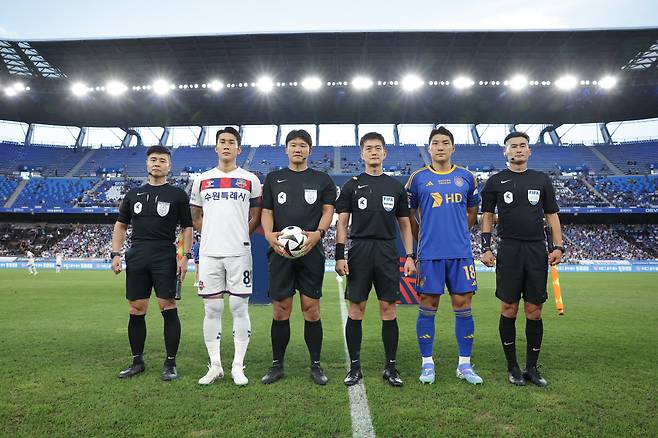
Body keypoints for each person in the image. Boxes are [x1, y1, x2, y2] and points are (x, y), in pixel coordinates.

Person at [480, 131, 564, 387]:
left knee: (534, 311)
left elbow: (551, 215)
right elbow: (486, 216)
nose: (518, 149)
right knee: (509, 308)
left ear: (530, 151)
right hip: (509, 249)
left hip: (536, 250)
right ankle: (513, 366)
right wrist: (485, 247)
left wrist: (558, 246)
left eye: (522, 146)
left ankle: (532, 368)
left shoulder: (541, 180)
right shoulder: (495, 181)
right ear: (505, 152)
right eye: (513, 146)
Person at [335, 132, 416, 387]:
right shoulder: (351, 185)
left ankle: (391, 368)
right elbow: (343, 223)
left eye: (377, 148)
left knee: (388, 310)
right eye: (368, 148)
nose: (373, 152)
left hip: (386, 251)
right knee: (356, 310)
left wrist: (410, 256)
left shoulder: (395, 187)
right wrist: (339, 254)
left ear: (384, 153)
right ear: (362, 154)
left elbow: (404, 225)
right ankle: (355, 368)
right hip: (359, 250)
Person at [406, 126, 483, 385]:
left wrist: (457, 232)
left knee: (463, 306)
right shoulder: (417, 179)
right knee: (428, 306)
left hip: (460, 254)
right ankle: (427, 364)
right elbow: (410, 216)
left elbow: (472, 215)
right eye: (435, 143)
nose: (440, 146)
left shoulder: (467, 177)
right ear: (429, 148)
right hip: (429, 254)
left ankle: (464, 365)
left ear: (453, 147)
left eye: (445, 142)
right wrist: (425, 238)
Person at [260, 129, 336, 385]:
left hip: (310, 251)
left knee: (311, 310)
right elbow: (267, 211)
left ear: (309, 150)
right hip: (280, 252)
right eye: (293, 145)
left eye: (303, 145)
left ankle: (315, 365)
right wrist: (270, 235)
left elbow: (328, 211)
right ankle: (277, 365)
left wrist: (318, 234)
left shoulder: (322, 179)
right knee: (281, 310)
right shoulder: (273, 178)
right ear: (286, 149)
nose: (298, 149)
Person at [111, 145, 193, 381]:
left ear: (169, 166)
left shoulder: (177, 194)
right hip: (137, 255)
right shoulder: (133, 194)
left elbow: (187, 227)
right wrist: (116, 253)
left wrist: (184, 257)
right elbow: (121, 225)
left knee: (167, 306)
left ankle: (170, 363)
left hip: (164, 255)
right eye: (153, 159)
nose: (157, 163)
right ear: (147, 164)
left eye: (162, 160)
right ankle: (137, 361)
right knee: (136, 308)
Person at [190, 127, 262, 386]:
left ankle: (238, 366)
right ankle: (216, 365)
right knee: (212, 308)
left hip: (239, 252)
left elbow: (256, 214)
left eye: (232, 142)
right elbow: (195, 216)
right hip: (210, 253)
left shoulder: (250, 180)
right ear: (216, 147)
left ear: (239, 149)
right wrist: (210, 234)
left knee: (239, 307)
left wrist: (244, 234)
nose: (227, 146)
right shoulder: (202, 180)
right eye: (222, 142)